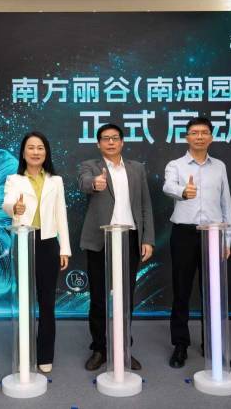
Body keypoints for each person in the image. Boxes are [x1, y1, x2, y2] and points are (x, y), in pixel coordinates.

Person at [77, 123, 155, 371]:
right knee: (98, 297)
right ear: (98, 143)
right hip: (100, 239)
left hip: (129, 237)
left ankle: (123, 348)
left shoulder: (136, 168)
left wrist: (147, 239)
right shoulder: (90, 166)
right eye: (105, 138)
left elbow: (145, 204)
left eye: (114, 138)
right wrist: (95, 184)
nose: (110, 142)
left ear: (122, 142)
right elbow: (83, 182)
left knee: (126, 297)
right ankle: (99, 348)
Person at [163, 116, 231, 369]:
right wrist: (184, 192)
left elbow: (226, 203)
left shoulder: (220, 167)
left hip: (213, 234)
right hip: (184, 233)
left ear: (211, 137)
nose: (199, 136)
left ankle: (211, 343)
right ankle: (180, 345)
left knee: (212, 293)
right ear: (187, 137)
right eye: (194, 132)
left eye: (204, 132)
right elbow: (168, 186)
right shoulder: (176, 165)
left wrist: (227, 238)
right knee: (181, 291)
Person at [2, 131, 71, 373]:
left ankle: (44, 354)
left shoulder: (55, 181)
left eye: (40, 147)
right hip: (23, 240)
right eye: (31, 147)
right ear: (23, 153)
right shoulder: (14, 179)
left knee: (47, 302)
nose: (35, 152)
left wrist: (65, 248)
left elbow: (61, 215)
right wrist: (15, 208)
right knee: (24, 300)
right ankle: (24, 350)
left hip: (48, 243)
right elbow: (7, 203)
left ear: (46, 152)